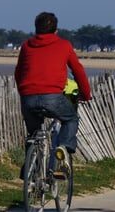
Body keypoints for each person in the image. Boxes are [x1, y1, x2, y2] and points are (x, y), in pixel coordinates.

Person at [14, 12, 92, 179]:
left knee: (33, 135)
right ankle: (63, 147)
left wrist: (24, 92)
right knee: (71, 119)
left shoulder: (27, 45)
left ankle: (30, 170)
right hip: (53, 98)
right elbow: (78, 71)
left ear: (36, 29)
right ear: (56, 30)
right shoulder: (64, 45)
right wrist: (86, 94)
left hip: (28, 97)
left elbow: (19, 73)